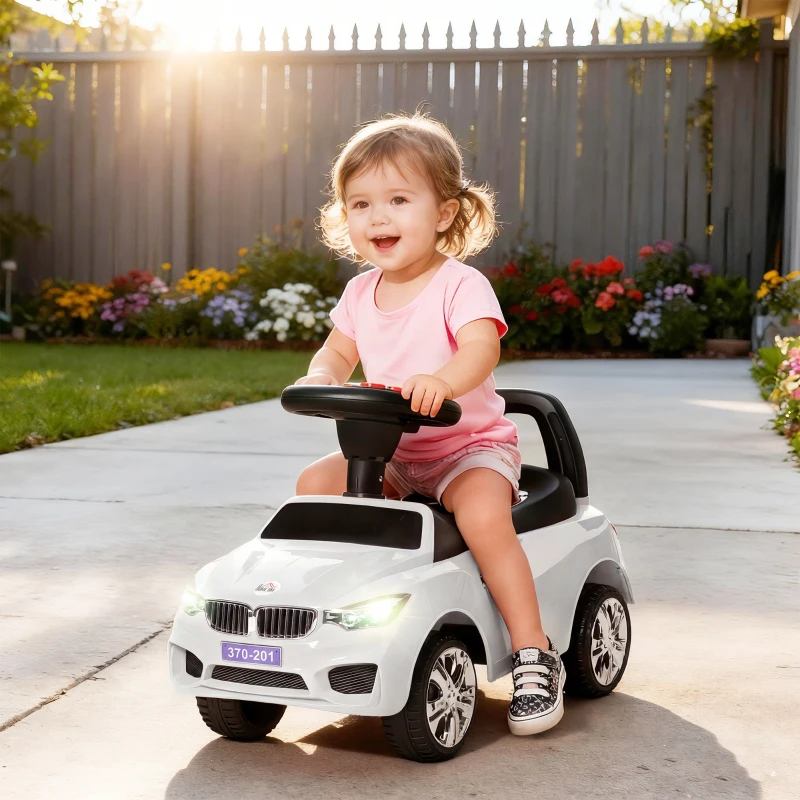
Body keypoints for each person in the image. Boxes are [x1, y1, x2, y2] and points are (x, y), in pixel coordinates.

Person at [294, 112, 565, 735]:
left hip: (467, 449)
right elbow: (336, 353)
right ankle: (337, 620)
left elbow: (480, 350)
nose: (377, 217)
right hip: (390, 454)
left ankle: (532, 652)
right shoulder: (361, 294)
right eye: (360, 203)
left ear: (443, 213)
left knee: (483, 518)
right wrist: (322, 375)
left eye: (397, 199)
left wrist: (442, 381)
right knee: (314, 486)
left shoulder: (458, 285)